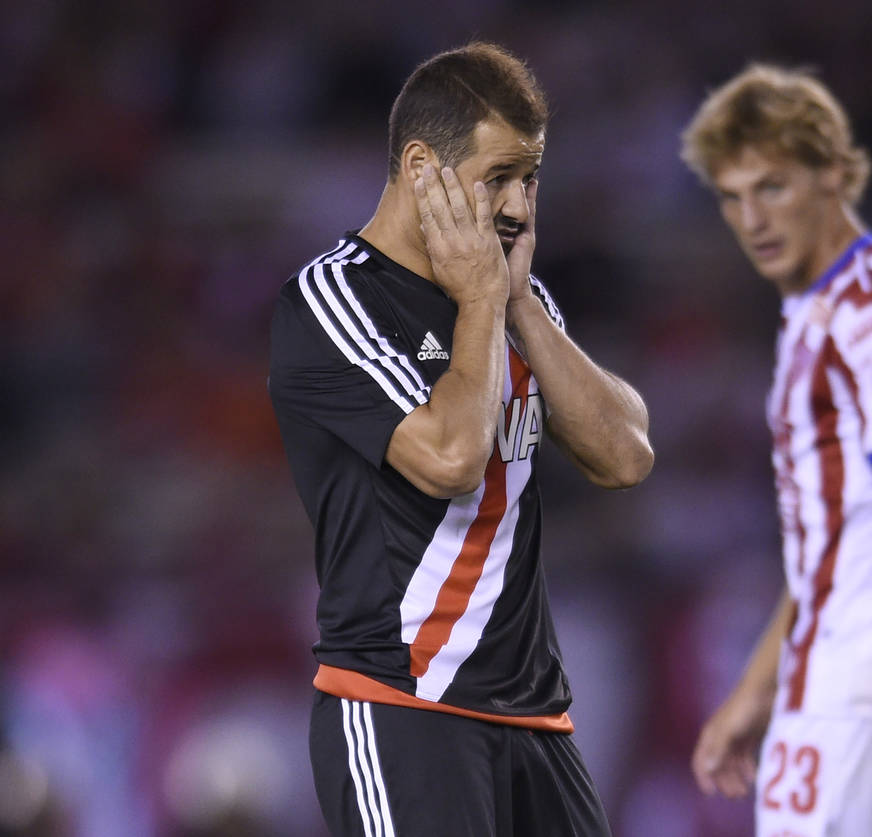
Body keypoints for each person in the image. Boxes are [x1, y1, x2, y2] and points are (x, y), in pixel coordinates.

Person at [268, 42, 652, 837]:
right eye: (498, 175)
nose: (517, 206)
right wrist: (482, 301)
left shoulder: (513, 298)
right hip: (401, 706)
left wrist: (519, 305)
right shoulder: (333, 299)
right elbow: (450, 458)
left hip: (536, 718)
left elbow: (626, 456)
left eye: (530, 177)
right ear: (421, 168)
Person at [680, 64, 872, 836]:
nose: (752, 217)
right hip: (833, 670)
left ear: (833, 176)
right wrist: (755, 689)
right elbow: (833, 545)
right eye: (733, 197)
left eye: (772, 187)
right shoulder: (811, 316)